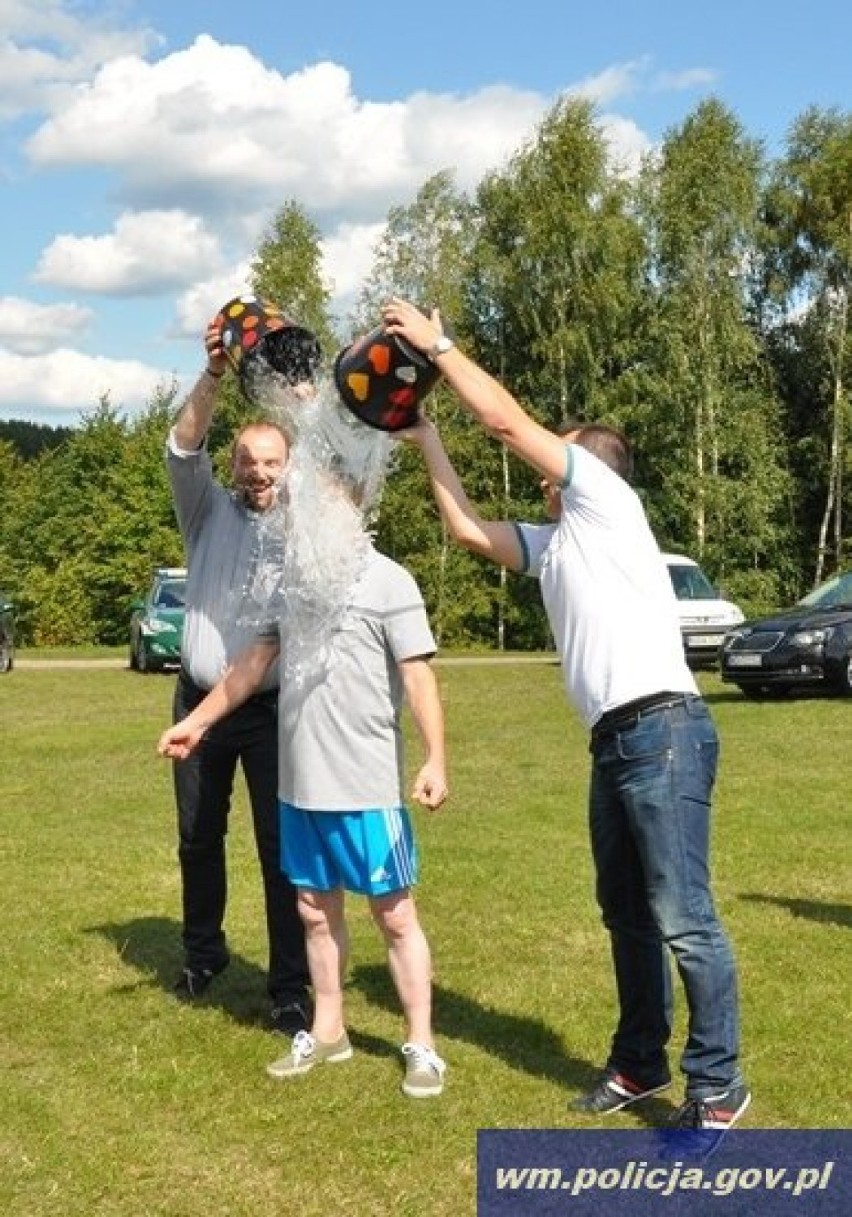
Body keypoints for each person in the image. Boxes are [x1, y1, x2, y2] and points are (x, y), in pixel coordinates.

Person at [383, 297, 750, 1132]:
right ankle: (640, 1064)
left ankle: (718, 1083)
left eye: (564, 463)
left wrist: (438, 345)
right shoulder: (560, 543)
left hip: (663, 731)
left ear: (595, 472)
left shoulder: (611, 507)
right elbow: (471, 531)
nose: (550, 474)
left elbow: (509, 422)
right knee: (626, 913)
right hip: (615, 742)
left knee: (683, 916)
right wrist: (426, 438)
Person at [157, 473, 449, 1099]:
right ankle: (329, 1030)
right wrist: (196, 722)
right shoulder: (292, 589)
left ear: (357, 510)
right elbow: (249, 668)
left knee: (395, 917)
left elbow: (419, 678)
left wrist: (435, 759)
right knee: (314, 913)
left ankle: (421, 1044)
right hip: (300, 787)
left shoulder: (390, 581)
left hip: (368, 788)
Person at [165, 316, 310, 1034]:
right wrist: (217, 371)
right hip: (198, 701)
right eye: (248, 460)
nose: (258, 472)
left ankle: (289, 988)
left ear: (287, 468)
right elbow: (181, 442)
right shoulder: (204, 511)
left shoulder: (304, 525)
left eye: (271, 462)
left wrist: (300, 387)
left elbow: (328, 462)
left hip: (270, 713)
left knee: (280, 851)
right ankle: (203, 953)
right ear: (233, 465)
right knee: (197, 837)